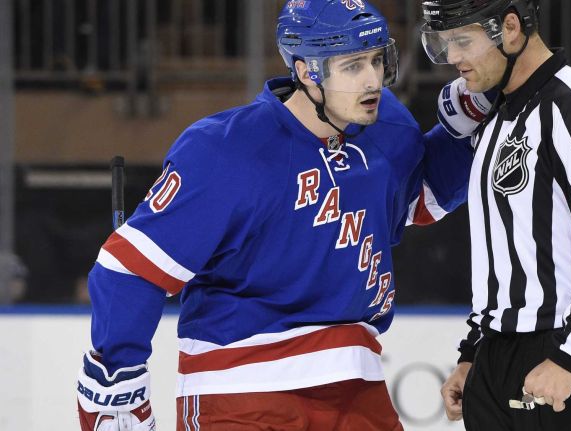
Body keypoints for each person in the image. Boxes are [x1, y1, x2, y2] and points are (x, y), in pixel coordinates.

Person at [75, 1, 489, 430]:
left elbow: (416, 199)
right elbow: (131, 269)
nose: (372, 80)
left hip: (355, 386)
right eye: (351, 66)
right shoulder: (225, 150)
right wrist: (116, 381)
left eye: (376, 59)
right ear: (307, 72)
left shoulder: (388, 127)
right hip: (240, 391)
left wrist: (465, 130)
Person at [420, 1, 571, 430]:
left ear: (510, 28)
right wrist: (475, 351)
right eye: (443, 42)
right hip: (497, 360)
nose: (452, 57)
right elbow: (507, 252)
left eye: (461, 40)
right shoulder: (495, 119)